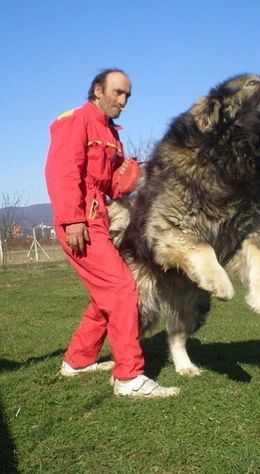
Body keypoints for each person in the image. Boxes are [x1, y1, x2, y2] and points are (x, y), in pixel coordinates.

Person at [45, 68, 179, 399]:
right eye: (118, 92)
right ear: (97, 90)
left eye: (127, 95)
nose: (123, 100)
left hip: (97, 220)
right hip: (80, 223)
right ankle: (129, 376)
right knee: (121, 288)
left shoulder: (111, 133)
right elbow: (61, 172)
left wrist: (134, 169)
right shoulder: (76, 120)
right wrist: (72, 219)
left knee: (106, 295)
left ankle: (77, 361)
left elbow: (112, 185)